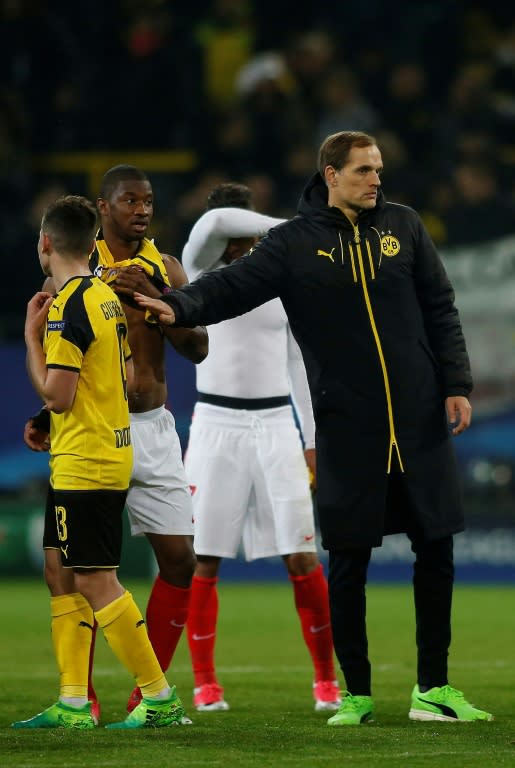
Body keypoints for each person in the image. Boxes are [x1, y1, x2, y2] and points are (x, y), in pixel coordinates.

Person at [131, 131, 494, 725]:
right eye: (362, 170)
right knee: (349, 559)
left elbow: (440, 305)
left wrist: (455, 383)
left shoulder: (405, 226)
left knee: (437, 547)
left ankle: (434, 689)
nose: (376, 179)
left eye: (378, 168)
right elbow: (232, 287)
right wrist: (177, 305)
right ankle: (354, 693)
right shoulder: (295, 243)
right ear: (330, 175)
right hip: (348, 424)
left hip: (419, 414)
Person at [23, 165, 209, 719]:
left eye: (149, 201)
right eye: (131, 200)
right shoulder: (82, 268)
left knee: (179, 562)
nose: (143, 210)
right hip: (91, 426)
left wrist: (156, 295)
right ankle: (82, 698)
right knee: (68, 568)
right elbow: (74, 363)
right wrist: (46, 414)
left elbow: (197, 347)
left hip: (149, 429)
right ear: (104, 209)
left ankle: (146, 694)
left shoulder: (164, 266)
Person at [180, 182, 340, 712]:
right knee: (203, 558)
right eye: (235, 235)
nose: (235, 246)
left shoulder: (281, 277)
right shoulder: (200, 268)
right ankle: (205, 682)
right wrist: (311, 227)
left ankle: (325, 680)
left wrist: (312, 439)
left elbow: (298, 363)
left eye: (244, 237)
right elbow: (216, 225)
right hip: (215, 423)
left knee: (301, 554)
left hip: (275, 425)